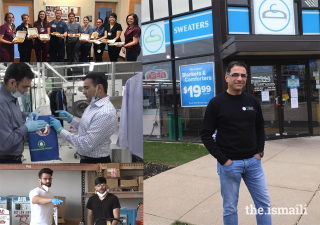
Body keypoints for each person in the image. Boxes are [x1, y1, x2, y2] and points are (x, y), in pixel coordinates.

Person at [200, 61, 271, 225]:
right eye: (235, 74)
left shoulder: (253, 102)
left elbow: (260, 128)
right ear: (227, 77)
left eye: (243, 75)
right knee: (230, 208)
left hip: (254, 163)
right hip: (229, 165)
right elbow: (205, 134)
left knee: (264, 204)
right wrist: (223, 160)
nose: (240, 78)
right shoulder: (216, 103)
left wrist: (259, 152)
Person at [49, 72, 117, 163]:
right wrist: (71, 120)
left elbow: (85, 144)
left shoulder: (105, 113)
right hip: (86, 159)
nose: (84, 92)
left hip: (97, 162)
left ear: (99, 88)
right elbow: (85, 128)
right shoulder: (91, 106)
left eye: (86, 88)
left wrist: (60, 130)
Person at [0, 63, 47, 163]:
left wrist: (26, 114)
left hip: (14, 157)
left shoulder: (12, 97)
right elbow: (5, 143)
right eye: (24, 87)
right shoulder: (1, 102)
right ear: (12, 83)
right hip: (5, 160)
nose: (25, 91)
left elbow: (9, 115)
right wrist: (26, 127)